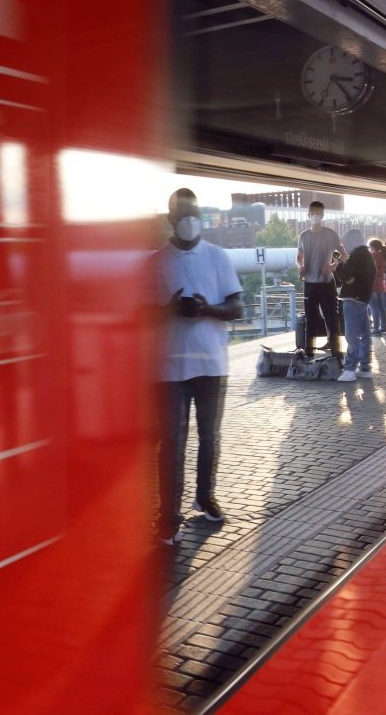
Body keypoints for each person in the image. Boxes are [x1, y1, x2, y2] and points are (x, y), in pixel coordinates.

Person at [154, 189, 243, 546]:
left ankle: (205, 497)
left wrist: (207, 309)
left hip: (212, 365)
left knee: (210, 438)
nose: (190, 221)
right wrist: (167, 311)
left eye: (194, 214)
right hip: (168, 370)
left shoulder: (219, 257)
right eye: (183, 214)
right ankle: (168, 517)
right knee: (172, 444)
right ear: (171, 219)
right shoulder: (155, 263)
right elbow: (137, 314)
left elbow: (237, 307)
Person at [297, 201, 347, 362]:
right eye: (313, 213)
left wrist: (333, 266)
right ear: (308, 215)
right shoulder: (303, 235)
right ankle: (309, 354)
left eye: (318, 213)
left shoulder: (331, 234)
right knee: (310, 320)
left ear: (323, 215)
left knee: (332, 319)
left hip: (327, 284)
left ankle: (336, 353)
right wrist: (300, 266)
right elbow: (299, 257)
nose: (315, 216)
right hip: (309, 284)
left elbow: (344, 255)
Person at [334, 228, 377, 382]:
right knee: (365, 334)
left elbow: (346, 276)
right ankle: (365, 367)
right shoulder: (367, 256)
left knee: (352, 336)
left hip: (352, 300)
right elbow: (351, 277)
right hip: (363, 300)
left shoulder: (357, 257)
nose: (344, 247)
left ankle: (350, 369)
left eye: (345, 243)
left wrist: (339, 264)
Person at [368, 238, 386, 336]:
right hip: (380, 284)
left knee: (373, 307)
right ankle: (384, 326)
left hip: (372, 284)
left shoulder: (371, 256)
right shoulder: (385, 256)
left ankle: (376, 329)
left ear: (372, 247)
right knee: (381, 307)